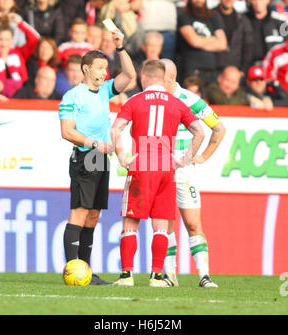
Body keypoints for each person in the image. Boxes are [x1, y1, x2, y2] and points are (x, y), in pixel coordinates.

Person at [111, 60, 205, 287]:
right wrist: (185, 159)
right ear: (164, 79)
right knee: (161, 226)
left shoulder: (135, 100)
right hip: (166, 168)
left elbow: (116, 129)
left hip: (141, 165)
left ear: (143, 77)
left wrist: (122, 156)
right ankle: (157, 277)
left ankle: (126, 276)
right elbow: (199, 132)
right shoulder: (176, 103)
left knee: (130, 224)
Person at [58, 29, 136, 285]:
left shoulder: (104, 92)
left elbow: (130, 76)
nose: (105, 72)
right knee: (79, 213)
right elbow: (67, 131)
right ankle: (72, 270)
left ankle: (85, 272)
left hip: (101, 157)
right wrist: (95, 144)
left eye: (106, 67)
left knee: (93, 214)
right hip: (85, 156)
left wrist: (121, 47)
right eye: (100, 67)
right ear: (86, 69)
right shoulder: (72, 96)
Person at [160, 58, 225, 288]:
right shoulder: (153, 98)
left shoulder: (190, 99)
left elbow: (218, 127)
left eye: (158, 76)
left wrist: (203, 156)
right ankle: (169, 276)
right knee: (163, 223)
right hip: (159, 171)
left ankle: (204, 276)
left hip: (184, 172)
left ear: (169, 77)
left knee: (193, 223)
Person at [176, 0, 227, 85]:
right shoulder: (184, 16)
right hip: (192, 70)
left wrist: (200, 41)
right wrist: (213, 39)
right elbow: (194, 41)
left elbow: (223, 44)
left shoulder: (213, 15)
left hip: (212, 71)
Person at [0, 13, 40, 97]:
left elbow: (35, 38)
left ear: (12, 39)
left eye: (7, 39)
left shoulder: (19, 52)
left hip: (20, 94)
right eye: (0, 39)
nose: (4, 43)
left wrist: (20, 22)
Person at [214, 0, 254, 75]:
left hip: (235, 71)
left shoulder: (243, 20)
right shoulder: (209, 16)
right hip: (214, 69)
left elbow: (248, 47)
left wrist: (243, 70)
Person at [246, 0, 286, 65]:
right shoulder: (242, 20)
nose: (258, 2)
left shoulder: (281, 20)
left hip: (275, 66)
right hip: (251, 66)